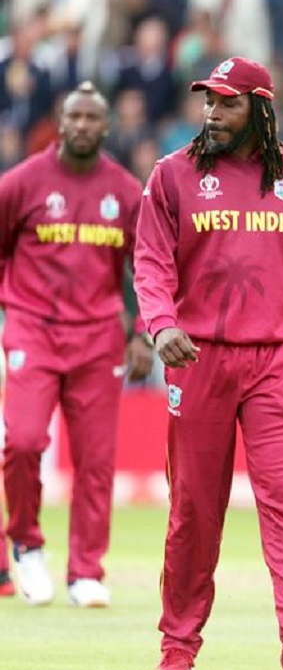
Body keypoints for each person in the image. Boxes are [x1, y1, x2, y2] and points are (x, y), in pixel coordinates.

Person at [134, 56, 283, 670]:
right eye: (208, 100)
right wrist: (161, 324)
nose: (212, 112)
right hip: (197, 358)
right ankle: (178, 644)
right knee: (193, 509)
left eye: (227, 102)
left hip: (277, 360)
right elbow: (151, 263)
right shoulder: (172, 175)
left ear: (260, 108)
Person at [0, 81, 153, 607]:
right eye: (75, 117)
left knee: (95, 461)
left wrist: (143, 333)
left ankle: (86, 570)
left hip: (98, 338)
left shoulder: (125, 191)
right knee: (23, 441)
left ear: (107, 127)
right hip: (33, 330)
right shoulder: (22, 183)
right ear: (60, 123)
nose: (83, 126)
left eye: (92, 118)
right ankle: (27, 543)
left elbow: (149, 269)